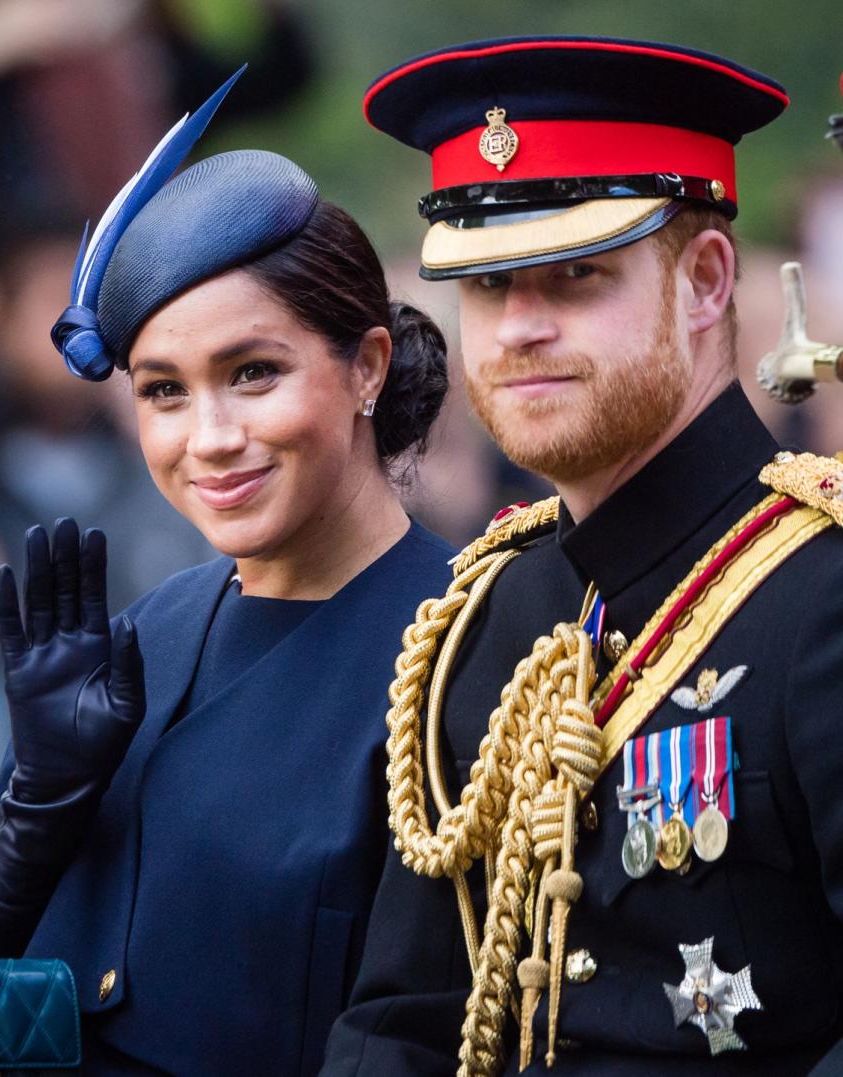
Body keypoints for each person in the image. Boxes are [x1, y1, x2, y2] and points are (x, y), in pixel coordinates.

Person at [0, 79, 453, 1075]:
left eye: (253, 373)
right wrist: (30, 826)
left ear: (366, 366)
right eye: (163, 392)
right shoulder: (145, 634)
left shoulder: (467, 645)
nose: (212, 439)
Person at [320, 36, 843, 1076]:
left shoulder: (822, 594)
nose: (517, 329)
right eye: (485, 284)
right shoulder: (490, 612)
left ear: (704, 283)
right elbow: (403, 1025)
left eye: (575, 277)